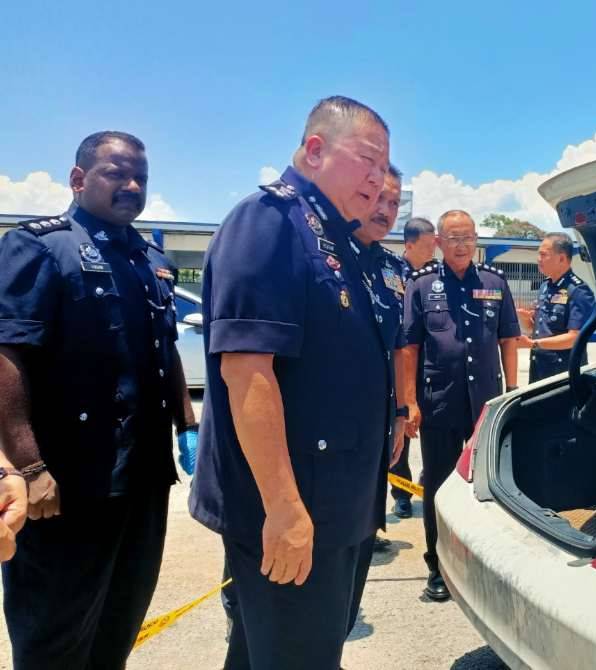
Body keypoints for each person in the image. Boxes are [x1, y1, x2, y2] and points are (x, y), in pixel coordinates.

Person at [190, 96, 395, 670]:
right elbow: (246, 370)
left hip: (336, 507)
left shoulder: (338, 240)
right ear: (314, 150)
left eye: (385, 168)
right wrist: (282, 509)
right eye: (368, 160)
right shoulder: (271, 220)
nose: (378, 179)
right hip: (295, 510)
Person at [0, 131, 197, 670]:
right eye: (116, 173)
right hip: (67, 484)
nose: (132, 185)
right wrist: (27, 463)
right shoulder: (40, 246)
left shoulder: (149, 258)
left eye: (141, 177)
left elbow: (167, 350)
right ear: (78, 179)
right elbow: (8, 357)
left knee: (119, 625)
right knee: (53, 638)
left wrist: (188, 425)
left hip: (142, 480)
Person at [399, 210, 520, 601]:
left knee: (486, 487)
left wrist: (513, 390)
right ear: (439, 242)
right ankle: (436, 566)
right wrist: (408, 402)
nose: (462, 244)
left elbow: (508, 341)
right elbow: (408, 347)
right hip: (438, 405)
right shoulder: (421, 286)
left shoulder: (494, 283)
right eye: (453, 237)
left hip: (485, 406)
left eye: (468, 237)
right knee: (437, 485)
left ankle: (482, 565)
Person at [345, 165, 409, 632]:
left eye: (394, 203)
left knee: (360, 543)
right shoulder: (323, 254)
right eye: (377, 198)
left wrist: (402, 414)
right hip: (321, 438)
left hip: (375, 434)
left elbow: (400, 346)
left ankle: (340, 631)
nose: (384, 210)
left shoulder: (392, 269)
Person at [388, 217, 437, 520]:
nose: (435, 247)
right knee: (400, 431)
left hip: (429, 366)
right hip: (399, 363)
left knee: (432, 430)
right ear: (410, 244)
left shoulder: (437, 276)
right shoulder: (391, 272)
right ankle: (402, 494)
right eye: (429, 242)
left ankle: (426, 481)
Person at [516, 232, 596, 382]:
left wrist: (533, 344)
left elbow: (575, 338)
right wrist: (527, 321)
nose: (538, 259)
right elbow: (542, 331)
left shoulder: (578, 291)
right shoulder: (545, 286)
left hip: (562, 374)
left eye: (543, 255)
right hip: (539, 368)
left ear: (561, 258)